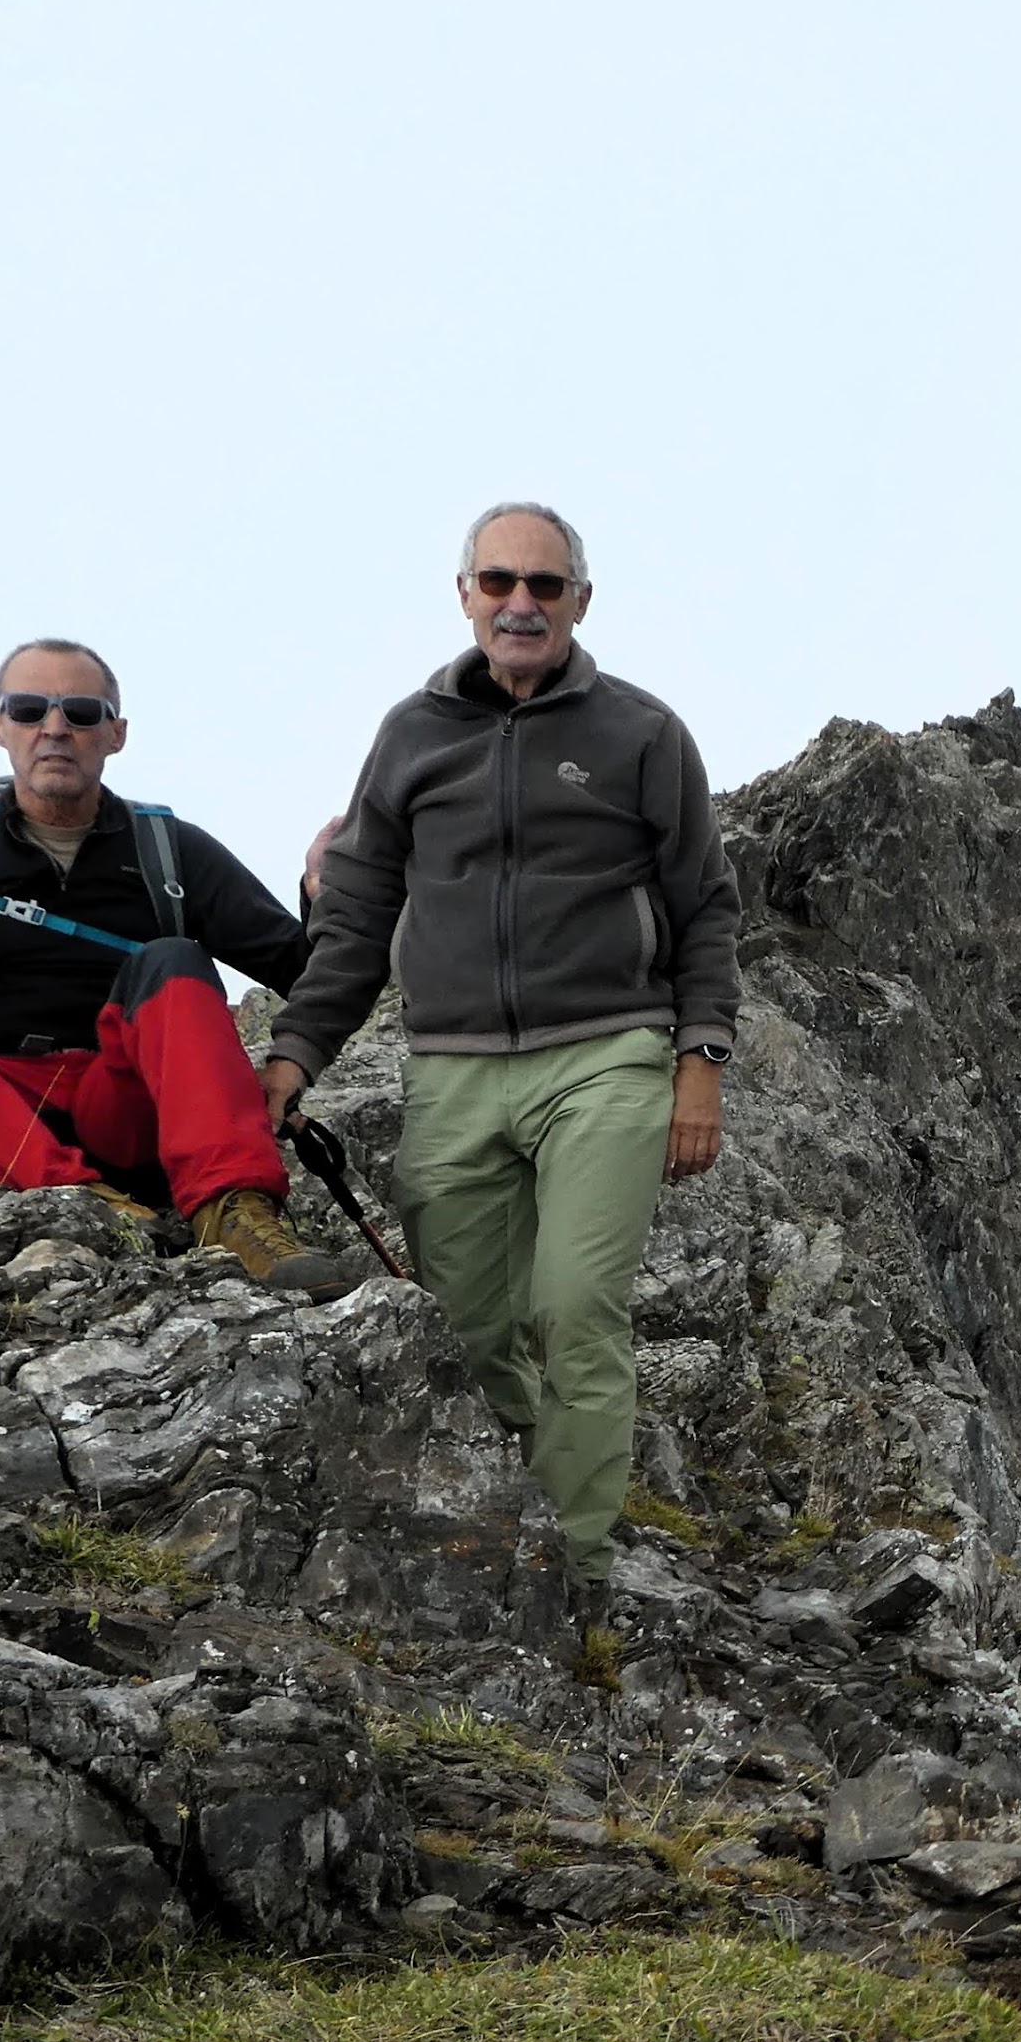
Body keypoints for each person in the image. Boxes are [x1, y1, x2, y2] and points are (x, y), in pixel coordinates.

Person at [258, 506, 739, 1593]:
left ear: (581, 602)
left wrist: (699, 1062)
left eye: (545, 586)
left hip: (607, 1056)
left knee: (575, 1308)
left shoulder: (644, 733)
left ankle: (578, 1571)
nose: (521, 603)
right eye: (499, 582)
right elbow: (358, 913)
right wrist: (294, 1054)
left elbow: (705, 906)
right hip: (453, 1063)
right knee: (466, 1330)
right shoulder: (410, 734)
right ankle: (531, 1504)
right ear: (465, 594)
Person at [0, 639, 352, 1289]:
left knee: (174, 961)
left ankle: (235, 1211)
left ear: (115, 734)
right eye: (28, 709)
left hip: (116, 1104)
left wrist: (329, 900)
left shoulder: (171, 853)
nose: (53, 728)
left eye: (80, 712)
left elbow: (303, 973)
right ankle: (81, 1200)